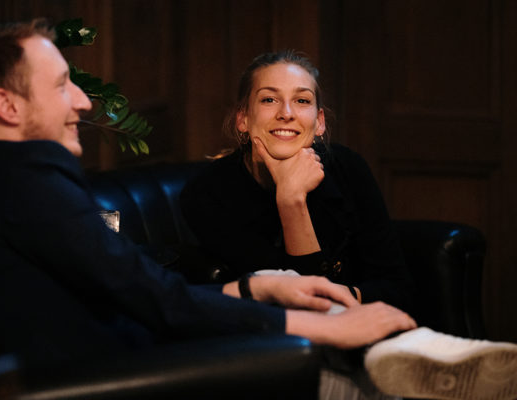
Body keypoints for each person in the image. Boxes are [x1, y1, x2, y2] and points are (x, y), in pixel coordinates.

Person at [0, 19, 416, 376]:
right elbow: (158, 303)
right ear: (6, 105)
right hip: (136, 376)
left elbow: (142, 288)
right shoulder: (28, 186)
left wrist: (255, 288)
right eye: (63, 84)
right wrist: (325, 326)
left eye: (303, 100)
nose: (83, 101)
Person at [180, 50, 517, 399]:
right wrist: (291, 199)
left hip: (357, 340)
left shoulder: (347, 168)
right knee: (278, 282)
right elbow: (294, 297)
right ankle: (432, 354)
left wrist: (350, 300)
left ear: (320, 121)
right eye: (269, 99)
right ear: (243, 120)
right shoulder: (206, 194)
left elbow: (398, 287)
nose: (287, 113)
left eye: (302, 100)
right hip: (280, 347)